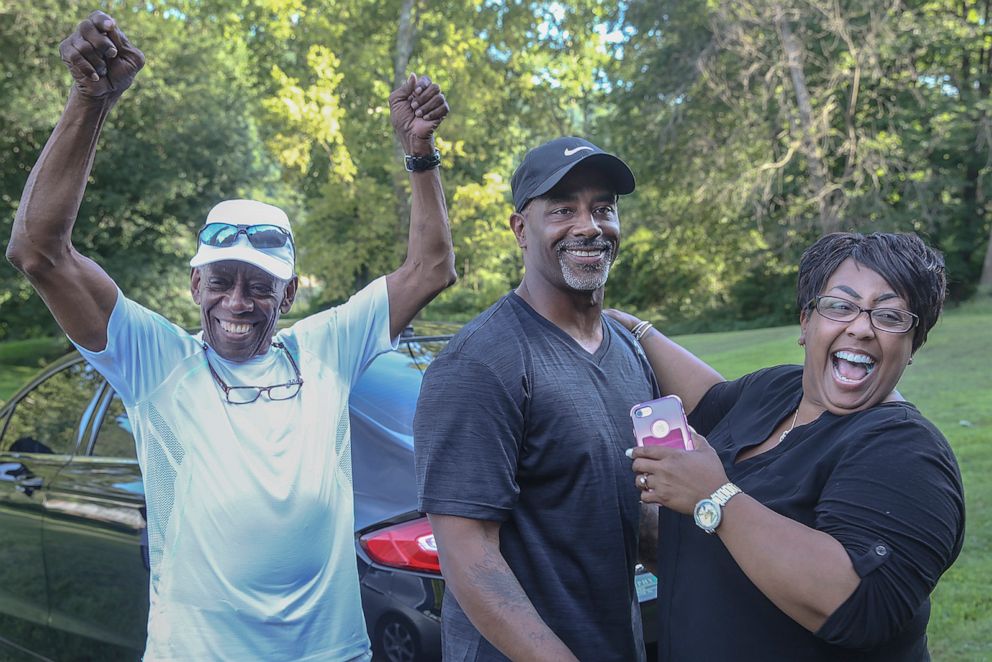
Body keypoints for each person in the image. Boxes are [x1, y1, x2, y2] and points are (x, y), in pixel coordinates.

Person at [6, 10, 455, 661]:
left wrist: (419, 152)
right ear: (194, 285)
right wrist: (90, 99)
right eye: (221, 281)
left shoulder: (325, 349)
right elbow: (38, 252)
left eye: (259, 286)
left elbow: (431, 267)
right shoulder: (156, 360)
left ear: (290, 295)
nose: (236, 302)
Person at [614, 232, 964, 661]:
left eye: (889, 317)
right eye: (840, 306)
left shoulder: (908, 453)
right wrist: (634, 328)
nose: (860, 328)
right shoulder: (778, 390)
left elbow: (861, 606)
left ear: (913, 344)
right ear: (806, 323)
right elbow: (709, 399)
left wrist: (715, 497)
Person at [413, 137, 659, 661]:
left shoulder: (629, 354)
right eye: (563, 210)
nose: (589, 226)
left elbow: (636, 512)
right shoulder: (480, 363)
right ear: (521, 230)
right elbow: (468, 556)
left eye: (603, 209)